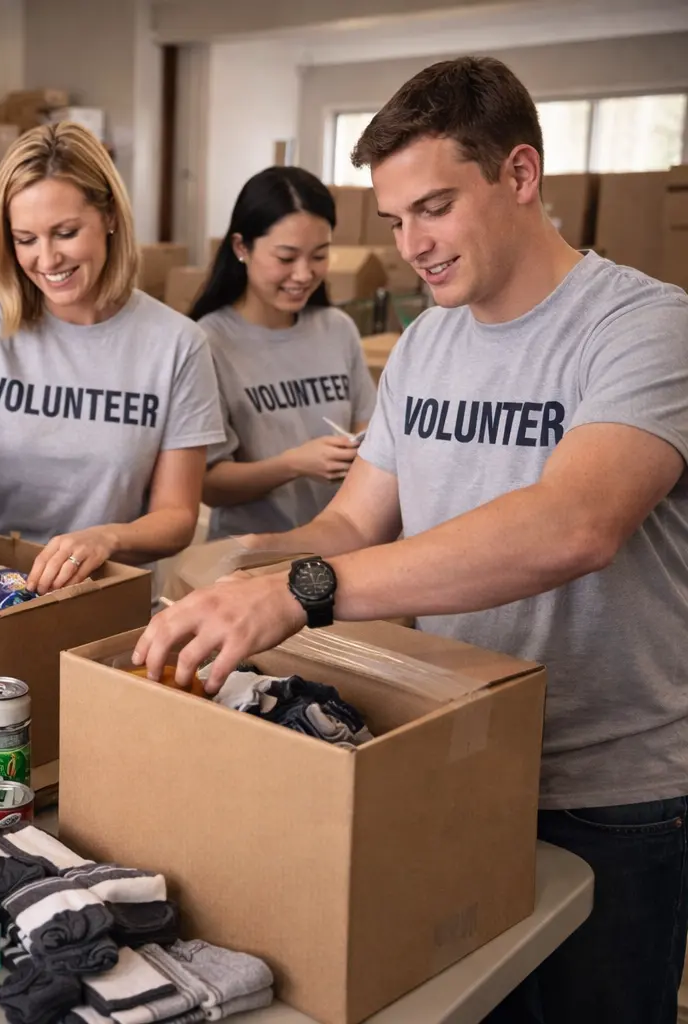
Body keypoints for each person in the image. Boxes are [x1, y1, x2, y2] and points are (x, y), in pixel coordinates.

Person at [134, 57, 688, 1024]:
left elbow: (577, 524)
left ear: (520, 175)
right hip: (452, 756)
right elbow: (355, 523)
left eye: (433, 208)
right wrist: (235, 568)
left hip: (610, 790)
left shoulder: (645, 326)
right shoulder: (431, 342)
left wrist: (301, 588)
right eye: (393, 222)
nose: (412, 246)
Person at [0, 122, 225, 605]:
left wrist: (108, 538)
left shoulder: (178, 345)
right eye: (25, 239)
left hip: (103, 601)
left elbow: (176, 518)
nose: (46, 259)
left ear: (109, 216)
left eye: (66, 233)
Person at [192, 166, 376, 539]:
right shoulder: (206, 342)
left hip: (340, 548)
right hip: (250, 558)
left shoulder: (337, 328)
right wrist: (293, 464)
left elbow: (366, 426)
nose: (305, 274)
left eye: (319, 255)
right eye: (287, 258)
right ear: (242, 247)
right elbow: (207, 484)